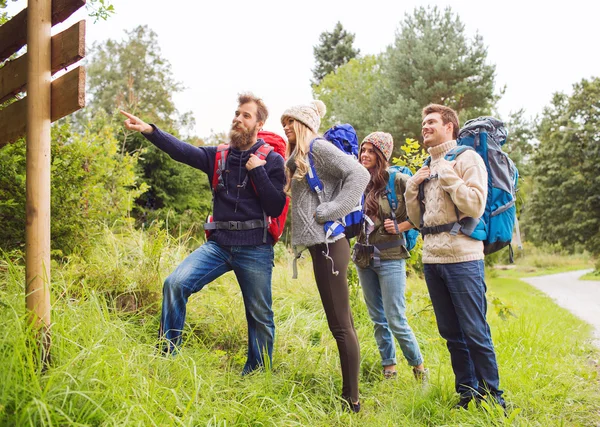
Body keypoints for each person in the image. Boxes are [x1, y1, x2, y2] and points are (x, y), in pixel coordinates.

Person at [120, 93, 286, 375]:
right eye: (237, 113)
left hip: (255, 248)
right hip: (219, 246)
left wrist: (258, 172)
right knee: (175, 283)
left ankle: (257, 374)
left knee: (260, 315)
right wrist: (150, 131)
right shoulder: (218, 155)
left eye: (246, 115)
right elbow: (182, 151)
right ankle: (167, 356)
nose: (238, 119)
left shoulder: (272, 161)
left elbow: (276, 205)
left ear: (259, 123)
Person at [404, 104, 505, 409]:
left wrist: (447, 174)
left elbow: (474, 204)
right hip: (433, 261)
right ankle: (467, 393)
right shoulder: (426, 165)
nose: (425, 126)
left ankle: (493, 399)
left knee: (475, 330)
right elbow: (419, 221)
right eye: (423, 122)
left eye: (431, 121)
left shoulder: (467, 158)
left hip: (463, 258)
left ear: (449, 126)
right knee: (450, 333)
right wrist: (412, 188)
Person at [281, 100, 369, 412]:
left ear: (304, 124)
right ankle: (352, 395)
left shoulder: (318, 147)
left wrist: (331, 210)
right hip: (324, 247)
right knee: (342, 323)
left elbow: (359, 174)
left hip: (331, 245)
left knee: (341, 326)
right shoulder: (301, 157)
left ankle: (352, 402)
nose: (286, 127)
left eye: (291, 121)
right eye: (284, 123)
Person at [352, 132, 428, 381]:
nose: (365, 155)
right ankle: (389, 370)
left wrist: (402, 226)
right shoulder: (359, 181)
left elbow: (426, 209)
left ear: (382, 155)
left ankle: (419, 370)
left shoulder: (398, 180)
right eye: (363, 150)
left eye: (371, 151)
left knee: (395, 318)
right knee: (378, 319)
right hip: (363, 259)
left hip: (391, 258)